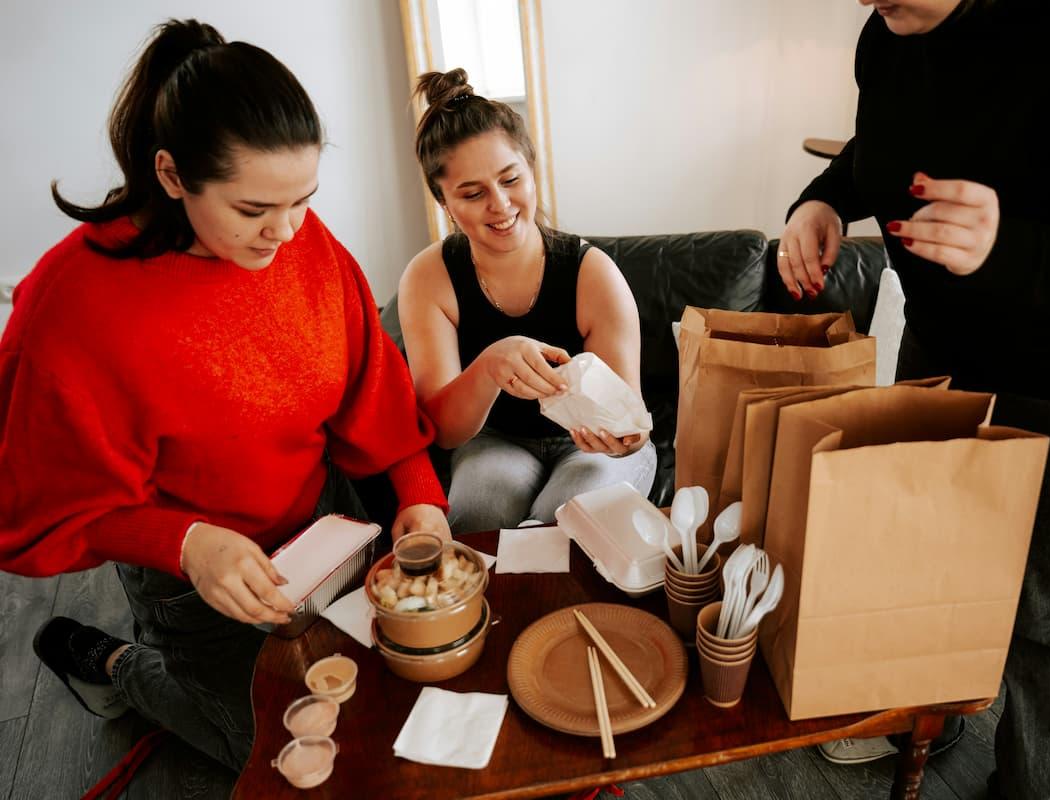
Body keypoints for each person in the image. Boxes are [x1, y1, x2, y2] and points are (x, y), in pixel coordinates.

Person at [0, 19, 449, 771]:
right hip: (195, 578)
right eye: (252, 211)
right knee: (290, 758)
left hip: (325, 532)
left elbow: (372, 385)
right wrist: (184, 544)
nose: (285, 233)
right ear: (173, 176)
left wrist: (417, 489)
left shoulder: (302, 243)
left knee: (394, 713)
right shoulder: (72, 305)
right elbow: (34, 501)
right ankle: (114, 665)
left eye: (303, 199)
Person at [780, 0, 1050, 796]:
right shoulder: (889, 33)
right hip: (951, 350)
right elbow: (885, 149)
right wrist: (825, 197)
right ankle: (932, 724)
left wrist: (1014, 248)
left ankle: (1044, 785)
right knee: (928, 555)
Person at [397, 69, 656, 533]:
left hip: (585, 447)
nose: (499, 204)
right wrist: (490, 366)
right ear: (444, 202)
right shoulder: (428, 278)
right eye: (472, 194)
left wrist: (624, 438)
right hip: (492, 442)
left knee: (566, 520)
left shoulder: (591, 273)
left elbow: (628, 419)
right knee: (477, 518)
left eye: (510, 179)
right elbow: (444, 431)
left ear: (531, 169)